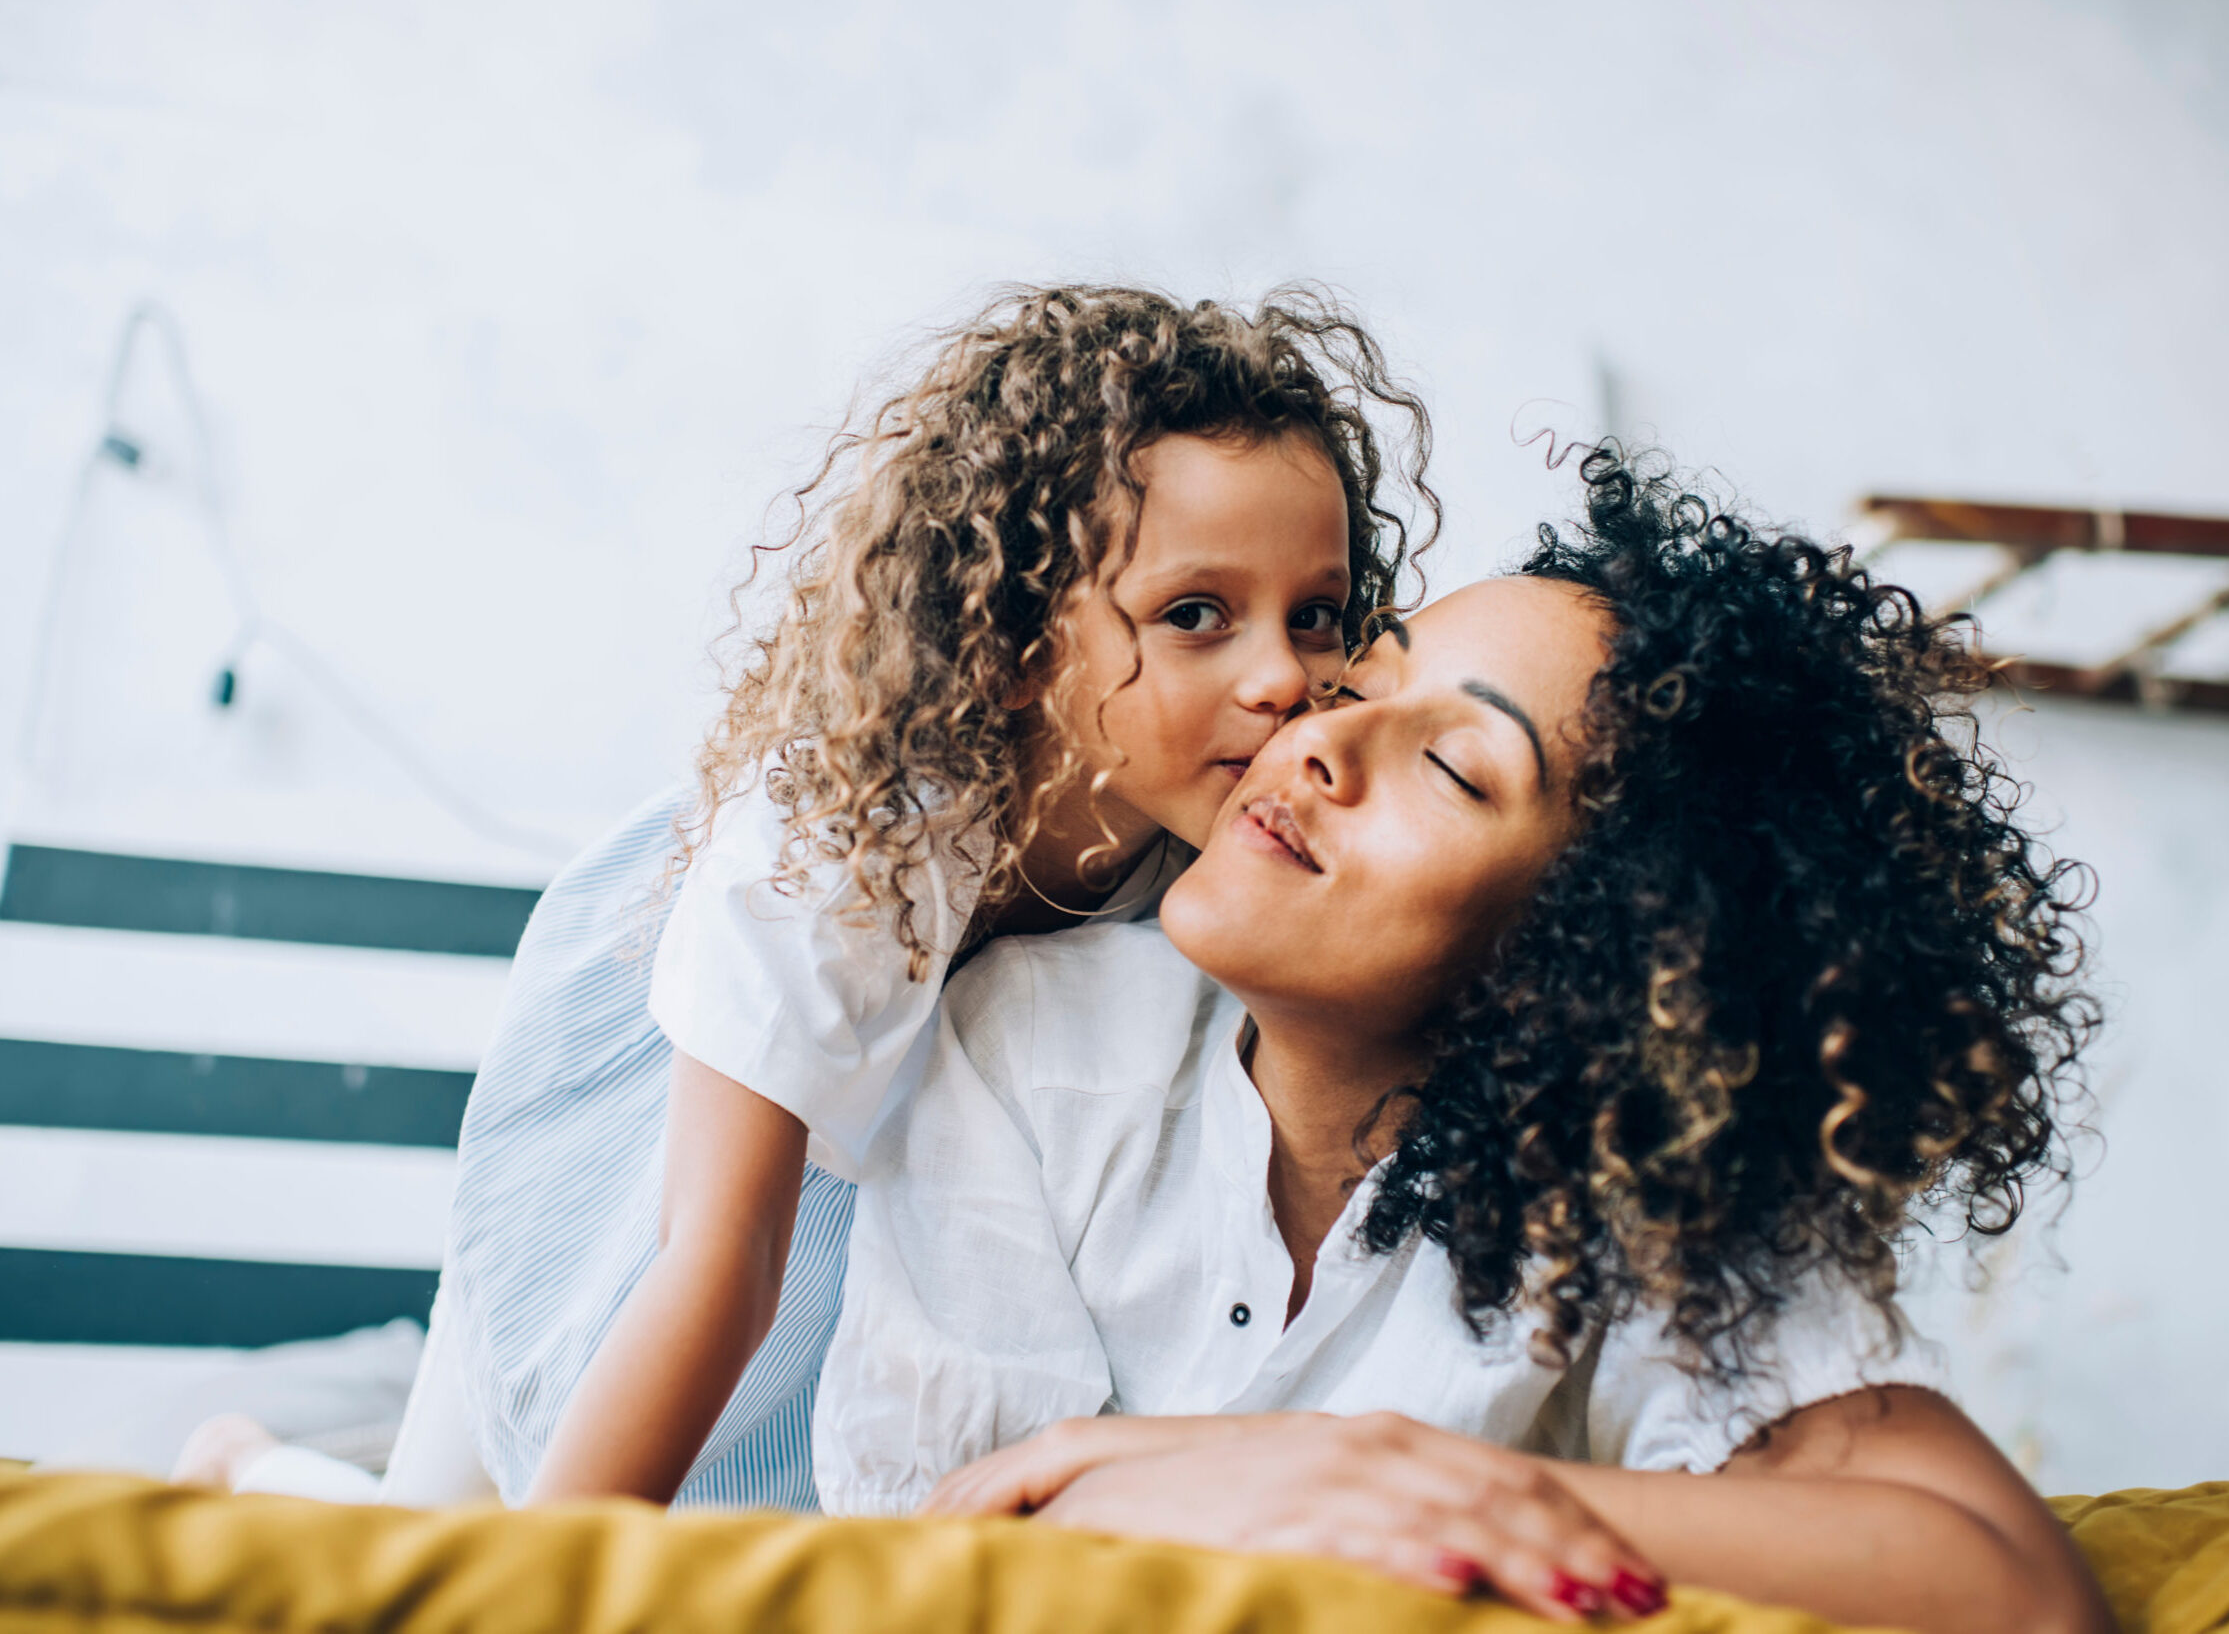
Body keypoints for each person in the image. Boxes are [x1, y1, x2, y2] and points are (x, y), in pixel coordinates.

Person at [176, 284, 1435, 1508]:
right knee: (463, 1521)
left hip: (905, 1183)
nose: (1283, 675)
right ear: (1014, 639)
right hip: (668, 1115)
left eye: (1317, 614)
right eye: (1196, 613)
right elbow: (722, 1255)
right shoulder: (845, 835)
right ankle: (244, 1463)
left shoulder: (1230, 843)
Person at [806, 453, 2112, 1633]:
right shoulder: (1026, 1036)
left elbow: (2011, 1593)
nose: (1317, 742)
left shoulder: (1638, 1191)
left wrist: (1404, 1480)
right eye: (1361, 682)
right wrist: (1281, 1483)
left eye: (1454, 767)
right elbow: (942, 1563)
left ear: (1591, 950)